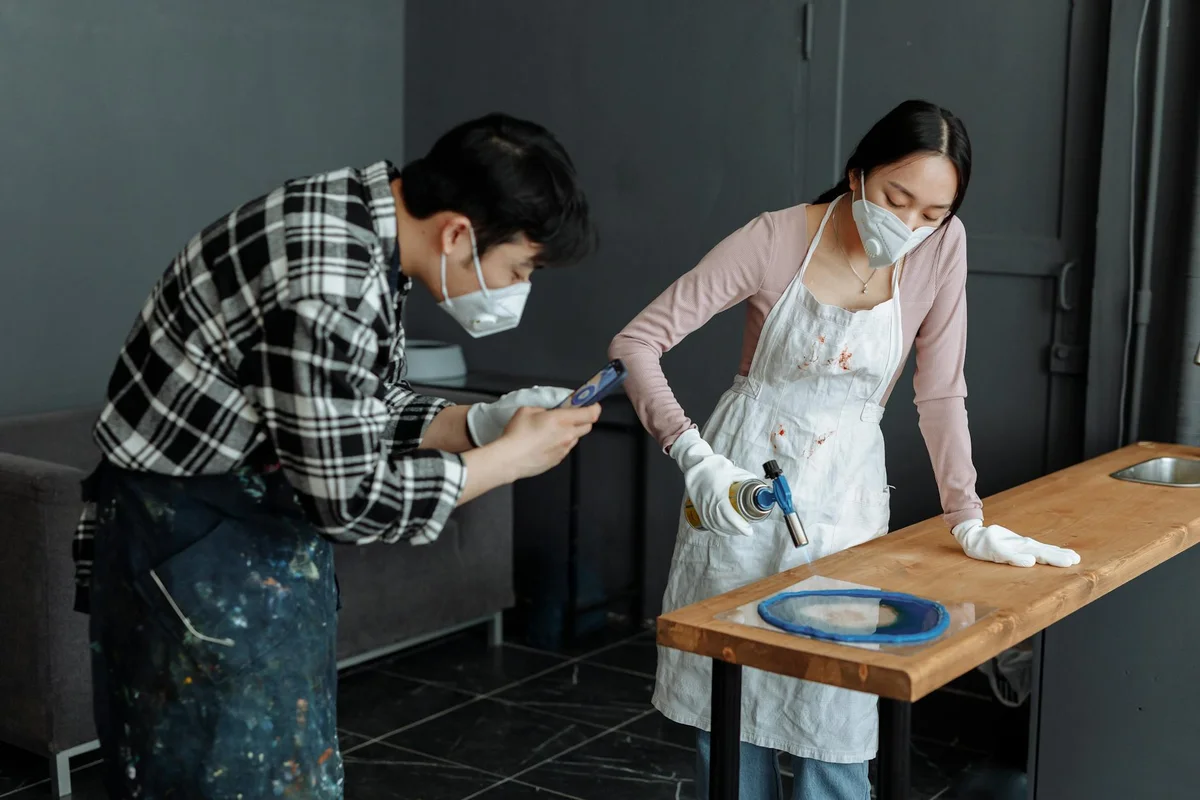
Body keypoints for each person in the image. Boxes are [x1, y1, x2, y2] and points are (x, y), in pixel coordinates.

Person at [76, 112, 599, 798]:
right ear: (458, 233)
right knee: (217, 776)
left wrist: (477, 422)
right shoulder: (328, 272)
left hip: (244, 523)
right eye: (519, 268)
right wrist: (508, 462)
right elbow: (351, 501)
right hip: (186, 538)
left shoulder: (363, 215)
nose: (518, 289)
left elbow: (355, 404)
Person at [609, 100, 1080, 800]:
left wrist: (968, 517)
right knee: (729, 717)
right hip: (742, 482)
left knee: (837, 725)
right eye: (897, 198)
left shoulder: (942, 249)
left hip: (846, 498)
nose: (912, 224)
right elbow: (634, 344)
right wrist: (696, 457)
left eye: (933, 212)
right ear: (858, 175)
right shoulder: (773, 238)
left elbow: (940, 393)